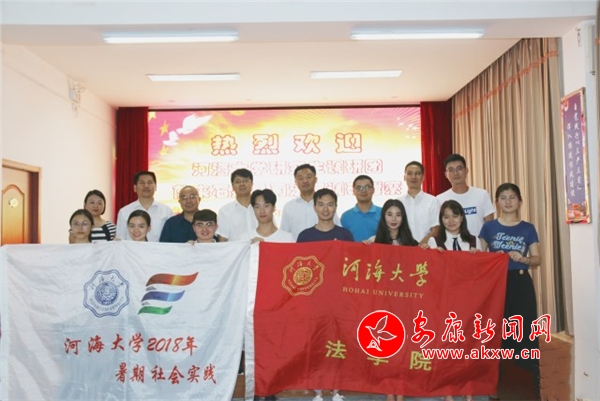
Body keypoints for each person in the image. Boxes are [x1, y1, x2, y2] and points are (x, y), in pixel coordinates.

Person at [479, 183, 541, 399]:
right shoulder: (488, 228)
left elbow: (537, 259)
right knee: (496, 332)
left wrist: (524, 259)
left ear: (519, 201)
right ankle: (495, 384)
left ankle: (530, 383)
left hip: (521, 283)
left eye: (512, 197)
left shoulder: (528, 228)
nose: (507, 202)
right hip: (496, 284)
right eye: (503, 198)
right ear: (497, 202)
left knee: (524, 330)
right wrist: (488, 259)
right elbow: (480, 258)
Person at [297, 188, 349, 401]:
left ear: (335, 207)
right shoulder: (305, 236)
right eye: (321, 204)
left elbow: (351, 267)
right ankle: (317, 390)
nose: (325, 209)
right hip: (313, 299)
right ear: (314, 207)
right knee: (315, 343)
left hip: (339, 299)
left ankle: (336, 390)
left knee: (337, 342)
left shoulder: (345, 235)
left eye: (330, 204)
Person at [428, 200, 477, 401]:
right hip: (444, 303)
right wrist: (433, 257)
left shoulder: (474, 241)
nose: (451, 221)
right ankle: (447, 393)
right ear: (441, 219)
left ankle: (468, 392)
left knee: (468, 349)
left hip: (468, 304)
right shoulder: (434, 242)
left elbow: (482, 273)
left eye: (455, 216)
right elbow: (429, 274)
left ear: (462, 218)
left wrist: (478, 258)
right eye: (446, 217)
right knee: (447, 349)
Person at [436, 154, 494, 247]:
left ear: (466, 170)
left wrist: (482, 249)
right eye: (451, 170)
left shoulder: (482, 194)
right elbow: (439, 229)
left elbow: (490, 226)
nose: (456, 173)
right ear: (446, 174)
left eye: (459, 168)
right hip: (451, 251)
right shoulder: (439, 199)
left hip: (479, 249)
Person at [281, 164, 339, 241]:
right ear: (296, 182)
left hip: (323, 247)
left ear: (315, 179)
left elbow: (337, 229)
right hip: (298, 248)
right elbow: (284, 235)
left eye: (309, 177)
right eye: (300, 178)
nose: (305, 181)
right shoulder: (289, 207)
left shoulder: (325, 205)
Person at [116, 171, 173, 242]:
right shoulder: (124, 211)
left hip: (158, 249)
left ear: (155, 187)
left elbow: (171, 239)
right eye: (142, 183)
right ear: (135, 188)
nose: (146, 185)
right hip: (132, 249)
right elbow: (120, 239)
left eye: (149, 182)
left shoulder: (166, 211)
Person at [397, 161, 438, 247]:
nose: (413, 177)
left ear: (423, 177)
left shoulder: (432, 201)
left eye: (417, 173)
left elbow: (436, 229)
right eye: (410, 173)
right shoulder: (398, 202)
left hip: (426, 249)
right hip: (403, 249)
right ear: (404, 177)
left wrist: (419, 247)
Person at [216, 168, 258, 242]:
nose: (242, 184)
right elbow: (223, 240)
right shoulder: (225, 211)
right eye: (238, 182)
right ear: (233, 186)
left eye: (245, 181)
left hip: (260, 249)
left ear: (251, 184)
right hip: (235, 250)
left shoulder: (262, 208)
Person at [341, 175, 381, 242]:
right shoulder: (346, 217)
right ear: (354, 191)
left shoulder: (383, 213)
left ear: (373, 190)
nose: (363, 191)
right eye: (359, 188)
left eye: (367, 187)